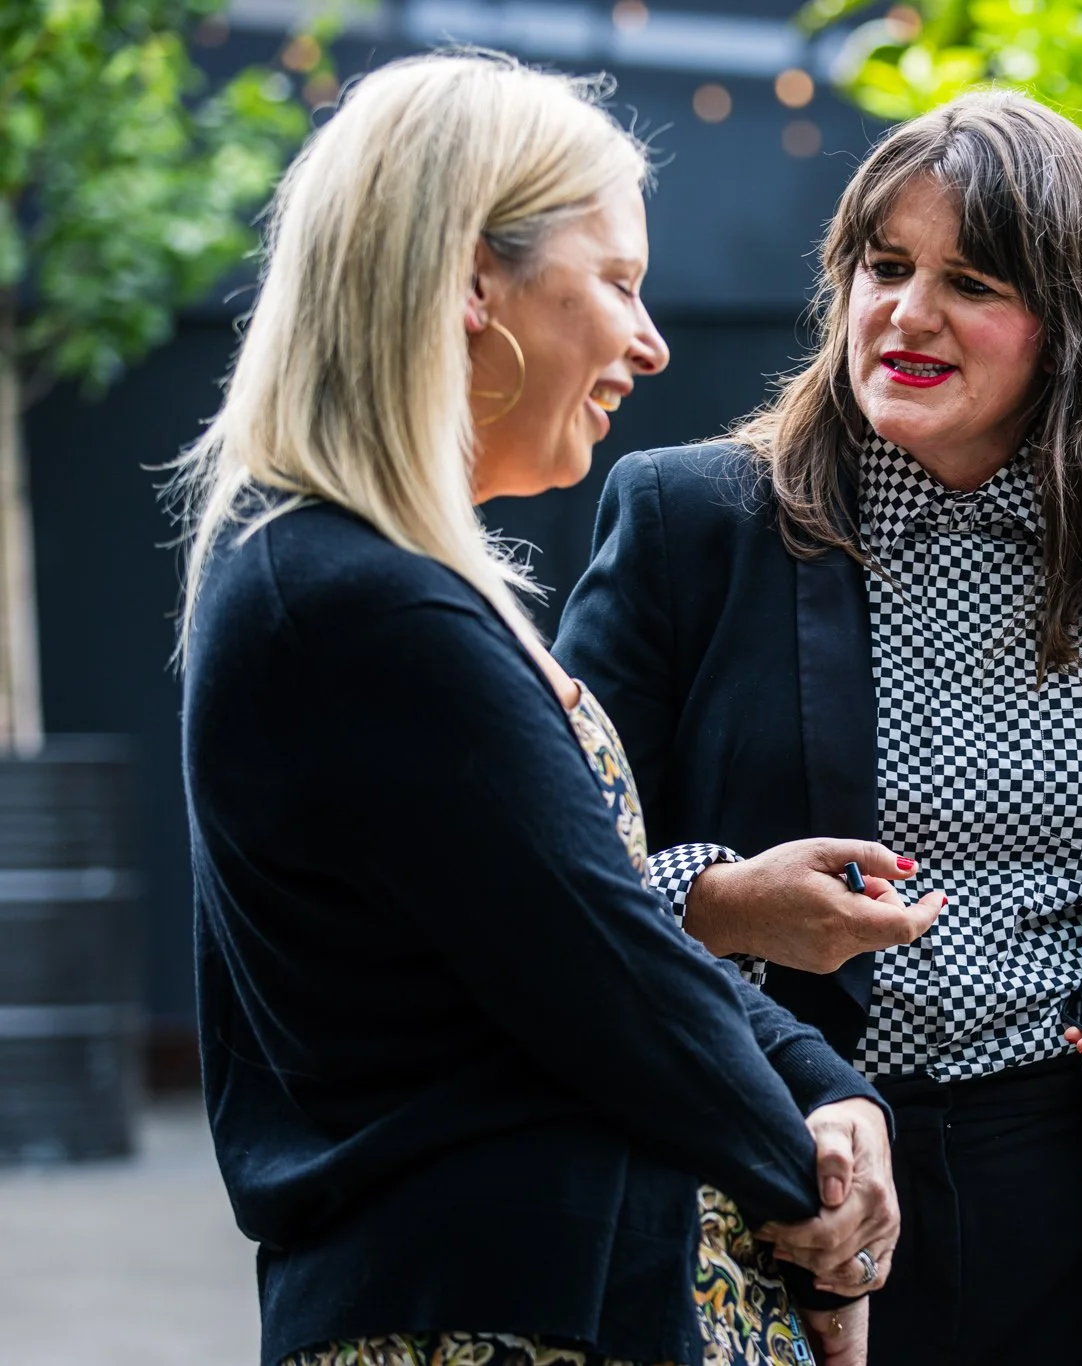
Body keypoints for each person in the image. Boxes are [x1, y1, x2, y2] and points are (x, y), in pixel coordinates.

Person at [555, 90, 1082, 1366]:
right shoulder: (693, 525)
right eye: (884, 265)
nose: (907, 314)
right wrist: (730, 903)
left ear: (1068, 327)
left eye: (969, 281)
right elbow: (557, 885)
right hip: (788, 1193)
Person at [176, 53, 902, 1366]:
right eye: (618, 279)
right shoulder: (357, 601)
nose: (652, 336)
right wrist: (824, 1220)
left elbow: (601, 921)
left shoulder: (352, 578)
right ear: (469, 277)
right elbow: (612, 983)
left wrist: (825, 1087)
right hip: (501, 1314)